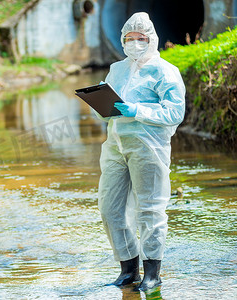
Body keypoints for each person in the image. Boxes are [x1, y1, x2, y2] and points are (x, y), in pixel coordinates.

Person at [95, 12, 185, 291]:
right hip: (115, 145)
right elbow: (111, 112)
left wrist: (138, 111)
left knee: (150, 208)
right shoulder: (117, 69)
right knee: (110, 209)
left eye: (141, 38)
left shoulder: (165, 70)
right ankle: (128, 267)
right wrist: (102, 103)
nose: (135, 43)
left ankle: (152, 272)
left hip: (149, 146)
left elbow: (175, 112)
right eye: (129, 38)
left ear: (151, 39)